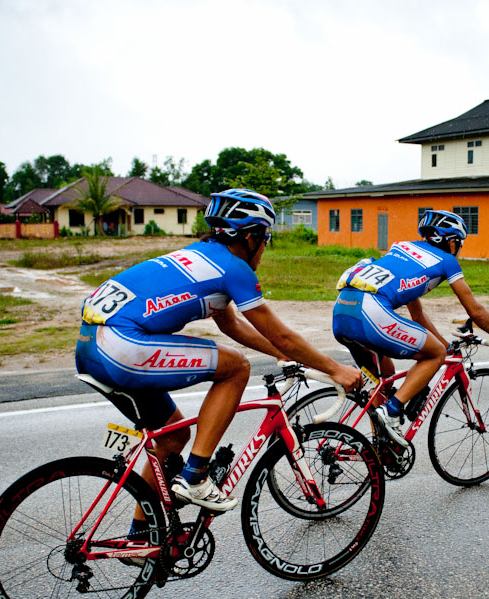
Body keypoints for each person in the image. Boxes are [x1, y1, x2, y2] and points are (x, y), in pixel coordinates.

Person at [76, 188, 361, 516]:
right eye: (267, 238)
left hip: (91, 345)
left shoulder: (200, 257)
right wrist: (336, 369)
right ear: (252, 238)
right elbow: (282, 334)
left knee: (173, 438)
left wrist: (286, 356)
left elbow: (232, 326)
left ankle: (142, 537)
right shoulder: (234, 268)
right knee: (236, 367)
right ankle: (195, 476)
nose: (265, 247)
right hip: (120, 346)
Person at [332, 209, 489, 446]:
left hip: (342, 312)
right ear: (451, 240)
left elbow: (417, 314)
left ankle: (380, 446)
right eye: (458, 242)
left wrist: (444, 344)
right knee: (435, 355)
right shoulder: (447, 261)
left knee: (385, 378)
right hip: (370, 310)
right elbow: (475, 311)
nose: (458, 247)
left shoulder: (403, 248)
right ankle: (391, 412)